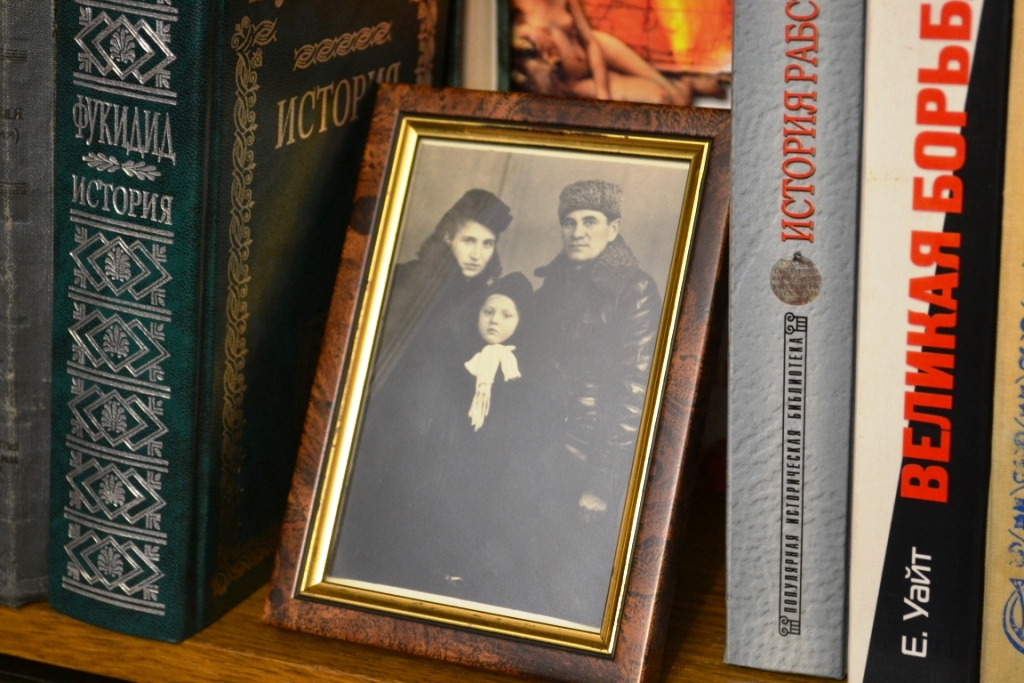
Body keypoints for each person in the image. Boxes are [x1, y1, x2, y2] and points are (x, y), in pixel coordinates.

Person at [330, 189, 513, 591]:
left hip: (445, 430)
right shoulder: (404, 279)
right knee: (370, 515)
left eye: (487, 243)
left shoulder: (489, 299)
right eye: (469, 240)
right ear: (448, 235)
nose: (477, 254)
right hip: (391, 421)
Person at [523, 179, 663, 626]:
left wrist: (601, 482)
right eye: (569, 222)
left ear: (613, 228)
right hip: (534, 447)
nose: (578, 231)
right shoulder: (551, 285)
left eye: (590, 221)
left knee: (568, 593)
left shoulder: (634, 289)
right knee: (523, 572)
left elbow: (633, 393)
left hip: (584, 454)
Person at [510, 0, 725, 104]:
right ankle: (687, 85)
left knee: (673, 94)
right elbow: (499, 35)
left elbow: (589, 40)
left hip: (594, 54)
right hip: (571, 82)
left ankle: (685, 84)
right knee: (662, 98)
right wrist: (527, 31)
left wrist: (602, 89)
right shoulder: (517, 6)